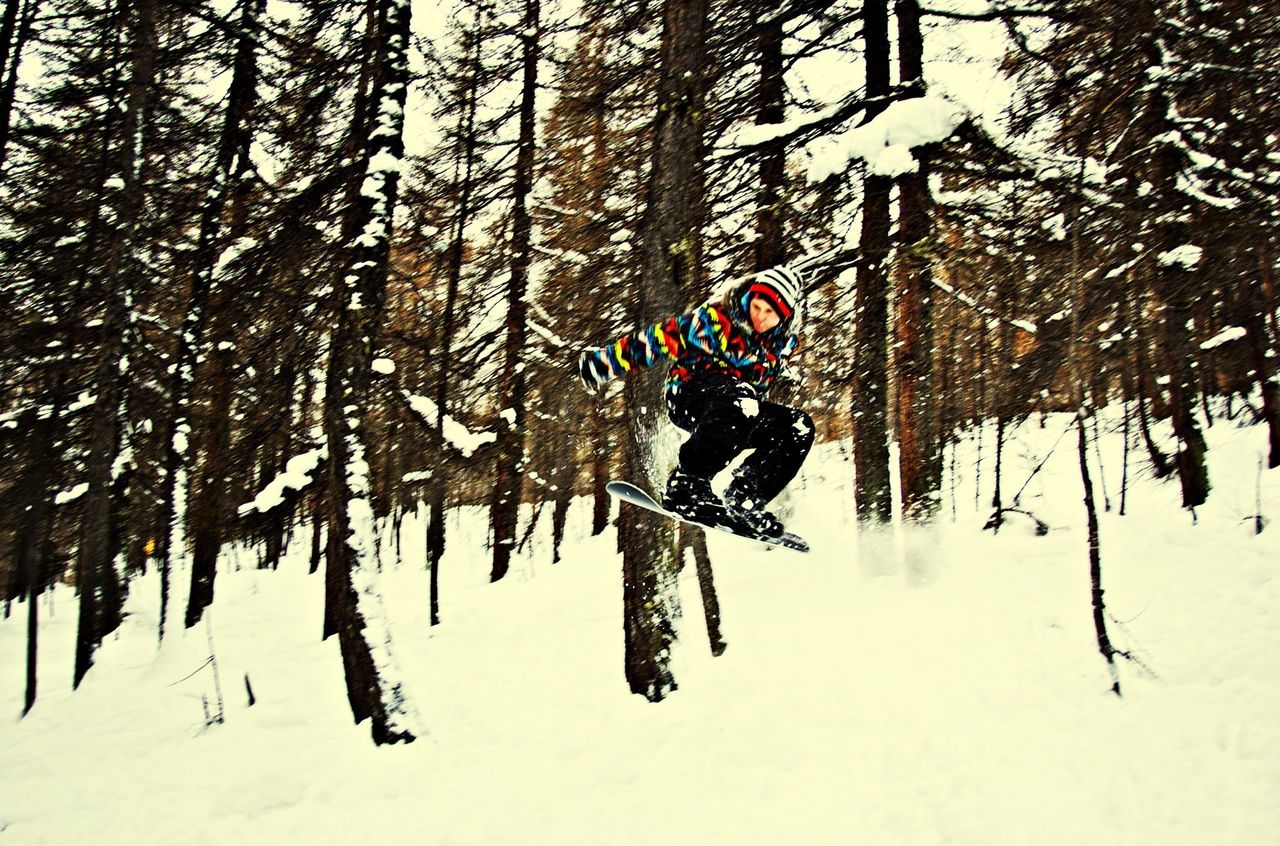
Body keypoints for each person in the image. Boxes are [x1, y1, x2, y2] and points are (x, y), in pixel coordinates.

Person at [577, 265, 814, 536]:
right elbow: (658, 339)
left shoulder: (779, 345)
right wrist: (604, 362)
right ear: (750, 297)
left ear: (784, 317)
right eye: (757, 306)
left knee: (798, 427)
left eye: (770, 313)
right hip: (689, 394)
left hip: (733, 413)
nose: (759, 317)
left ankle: (746, 497)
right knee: (741, 399)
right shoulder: (714, 320)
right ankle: (687, 484)